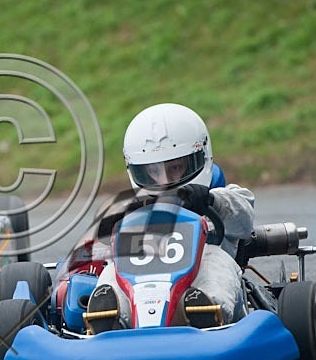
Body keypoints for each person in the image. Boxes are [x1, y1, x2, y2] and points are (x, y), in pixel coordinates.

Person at [87, 102, 255, 330]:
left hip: (199, 278)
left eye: (175, 167)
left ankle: (205, 313)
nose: (164, 180)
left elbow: (244, 219)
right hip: (139, 282)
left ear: (199, 158)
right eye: (154, 171)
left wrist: (210, 201)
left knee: (215, 261)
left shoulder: (219, 194)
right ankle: (109, 318)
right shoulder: (132, 206)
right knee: (112, 273)